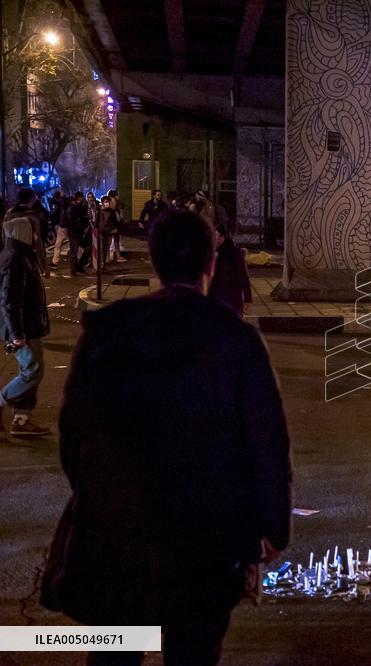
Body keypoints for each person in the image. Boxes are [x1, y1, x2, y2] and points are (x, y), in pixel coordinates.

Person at [41, 211, 292, 665]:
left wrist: (101, 495)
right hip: (206, 545)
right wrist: (271, 529)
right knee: (193, 653)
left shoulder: (107, 334)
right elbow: (267, 445)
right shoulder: (235, 342)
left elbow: (73, 434)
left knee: (114, 653)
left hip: (119, 537)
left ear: (154, 263)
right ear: (211, 265)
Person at [0, 214, 51, 436]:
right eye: (33, 231)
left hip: (26, 326)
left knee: (30, 371)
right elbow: (9, 300)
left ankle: (21, 420)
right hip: (23, 328)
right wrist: (16, 333)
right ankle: (4, 403)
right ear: (23, 232)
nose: (37, 235)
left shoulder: (20, 255)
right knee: (32, 372)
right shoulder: (15, 259)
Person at [209, 224, 253, 318]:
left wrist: (247, 298)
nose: (217, 239)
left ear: (225, 236)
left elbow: (243, 275)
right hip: (216, 295)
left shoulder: (234, 252)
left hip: (232, 295)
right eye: (215, 236)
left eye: (220, 236)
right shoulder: (211, 252)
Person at [52, 192, 88, 276]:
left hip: (77, 231)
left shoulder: (78, 206)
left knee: (81, 249)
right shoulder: (72, 207)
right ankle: (74, 269)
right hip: (74, 232)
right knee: (73, 251)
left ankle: (77, 267)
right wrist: (79, 225)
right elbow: (71, 219)